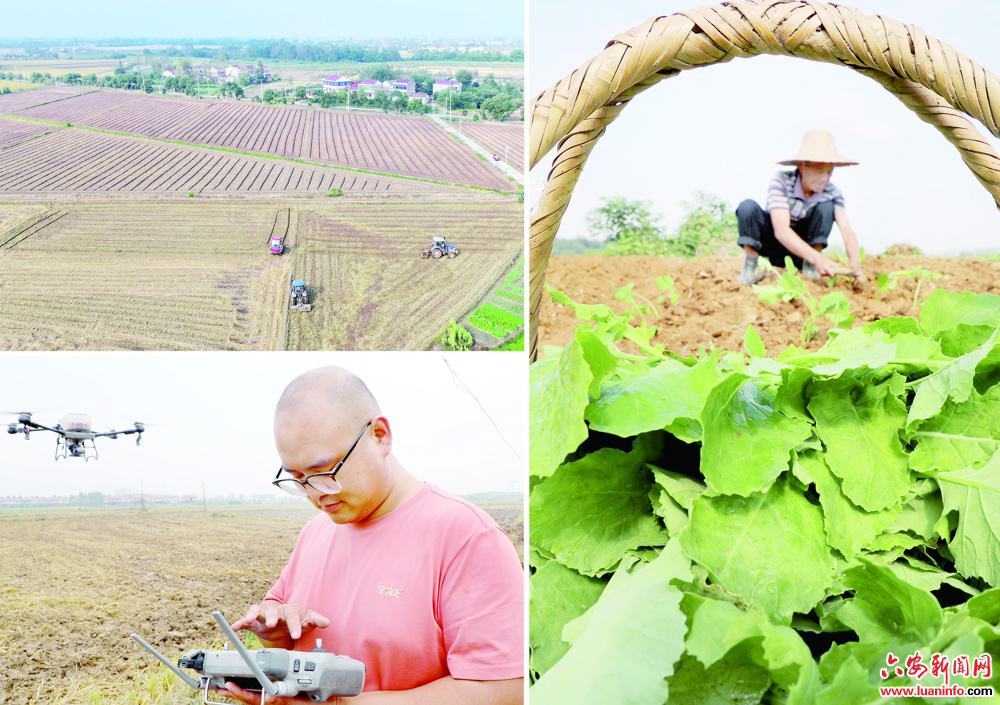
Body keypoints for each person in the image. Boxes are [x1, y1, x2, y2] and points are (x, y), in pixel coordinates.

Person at [221, 366, 524, 705]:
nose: (316, 494)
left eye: (324, 472)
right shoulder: (314, 533)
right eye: (297, 479)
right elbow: (286, 630)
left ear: (380, 435)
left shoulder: (466, 537)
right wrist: (276, 636)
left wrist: (340, 704)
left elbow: (502, 691)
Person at [736, 130, 863, 284]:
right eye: (818, 170)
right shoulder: (782, 181)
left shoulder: (832, 192)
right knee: (747, 208)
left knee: (826, 208)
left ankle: (810, 268)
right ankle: (751, 267)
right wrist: (818, 259)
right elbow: (781, 230)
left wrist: (855, 266)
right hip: (774, 246)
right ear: (802, 166)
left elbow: (847, 232)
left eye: (829, 172)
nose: (824, 178)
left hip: (804, 253)